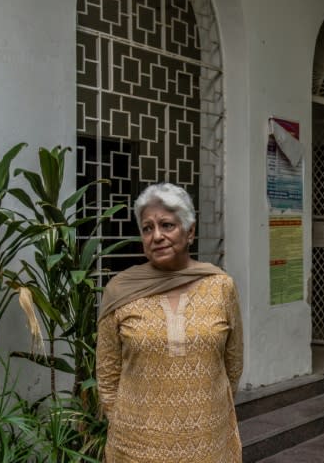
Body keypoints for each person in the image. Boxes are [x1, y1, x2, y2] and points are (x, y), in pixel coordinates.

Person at [96, 182, 243, 462]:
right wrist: (126, 422)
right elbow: (107, 371)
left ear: (190, 232)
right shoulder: (120, 290)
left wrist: (205, 409)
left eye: (167, 225)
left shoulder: (220, 286)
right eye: (147, 228)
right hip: (137, 444)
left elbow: (233, 363)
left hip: (207, 442)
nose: (157, 236)